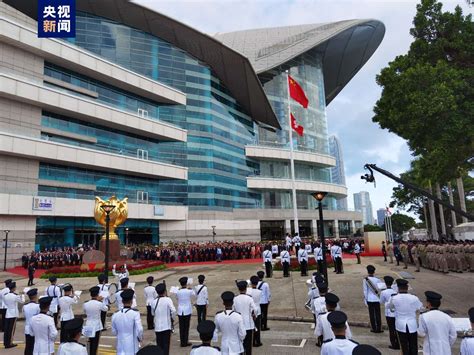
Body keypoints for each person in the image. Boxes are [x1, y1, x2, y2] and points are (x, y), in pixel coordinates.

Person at [389, 279, 423, 355]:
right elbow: (420, 307)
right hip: (412, 324)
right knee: (413, 345)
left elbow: (391, 309)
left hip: (400, 324)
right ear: (407, 288)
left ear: (398, 288)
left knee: (404, 346)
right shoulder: (414, 298)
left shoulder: (394, 298)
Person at [418, 291, 456, 355]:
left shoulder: (423, 316)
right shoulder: (447, 317)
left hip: (431, 350)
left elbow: (421, 333)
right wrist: (446, 344)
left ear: (428, 303)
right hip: (445, 350)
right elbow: (453, 335)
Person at [111, 289, 143, 355]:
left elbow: (114, 332)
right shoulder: (135, 313)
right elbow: (140, 329)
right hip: (132, 346)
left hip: (120, 345)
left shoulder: (115, 315)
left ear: (122, 301)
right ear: (131, 301)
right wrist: (140, 338)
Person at [151, 283, 176, 355]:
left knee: (159, 346)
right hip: (166, 327)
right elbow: (173, 311)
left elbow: (152, 313)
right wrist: (172, 318)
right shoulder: (168, 300)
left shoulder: (154, 302)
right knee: (166, 346)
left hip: (157, 327)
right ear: (165, 291)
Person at [233, 280, 257, 355]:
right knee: (248, 346)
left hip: (238, 324)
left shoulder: (235, 299)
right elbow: (255, 310)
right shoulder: (249, 298)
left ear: (238, 289)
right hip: (248, 325)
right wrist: (254, 316)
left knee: (240, 345)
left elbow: (233, 311)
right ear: (246, 288)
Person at [83, 286, 108, 355]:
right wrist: (101, 300)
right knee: (95, 344)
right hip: (97, 326)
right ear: (98, 294)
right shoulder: (99, 303)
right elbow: (105, 309)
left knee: (89, 343)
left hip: (88, 325)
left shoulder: (85, 304)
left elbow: (85, 312)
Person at [379, 276, 399, 350]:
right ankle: (398, 343)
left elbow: (381, 301)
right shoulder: (395, 291)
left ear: (385, 283)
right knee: (396, 328)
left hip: (388, 312)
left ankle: (393, 344)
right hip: (396, 313)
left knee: (391, 329)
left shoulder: (383, 292)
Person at [175, 277, 195, 347]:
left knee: (181, 327)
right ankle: (185, 341)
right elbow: (194, 294)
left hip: (180, 311)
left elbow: (177, 298)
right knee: (186, 327)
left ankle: (182, 342)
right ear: (186, 283)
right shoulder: (189, 291)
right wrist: (190, 287)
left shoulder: (178, 291)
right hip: (187, 310)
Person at [363, 265, 382, 333]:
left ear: (368, 272)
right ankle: (379, 328)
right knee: (377, 314)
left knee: (371, 314)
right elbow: (380, 289)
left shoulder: (365, 280)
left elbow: (365, 290)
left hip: (369, 298)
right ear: (374, 272)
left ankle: (374, 328)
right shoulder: (378, 280)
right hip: (377, 298)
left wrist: (365, 299)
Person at [3, 281, 23, 348]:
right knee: (11, 329)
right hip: (13, 313)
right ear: (14, 288)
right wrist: (21, 295)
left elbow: (5, 303)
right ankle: (10, 343)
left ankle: (6, 342)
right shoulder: (15, 296)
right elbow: (22, 301)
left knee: (7, 329)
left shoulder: (5, 295)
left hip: (8, 312)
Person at [23, 288, 40, 355]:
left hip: (27, 328)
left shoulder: (25, 306)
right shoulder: (38, 306)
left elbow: (25, 316)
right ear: (35, 296)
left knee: (28, 346)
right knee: (34, 346)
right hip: (35, 328)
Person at [247, 276, 262, 347]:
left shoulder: (248, 291)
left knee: (251, 326)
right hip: (257, 310)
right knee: (257, 327)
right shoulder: (259, 291)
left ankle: (252, 341)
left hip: (250, 310)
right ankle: (257, 341)